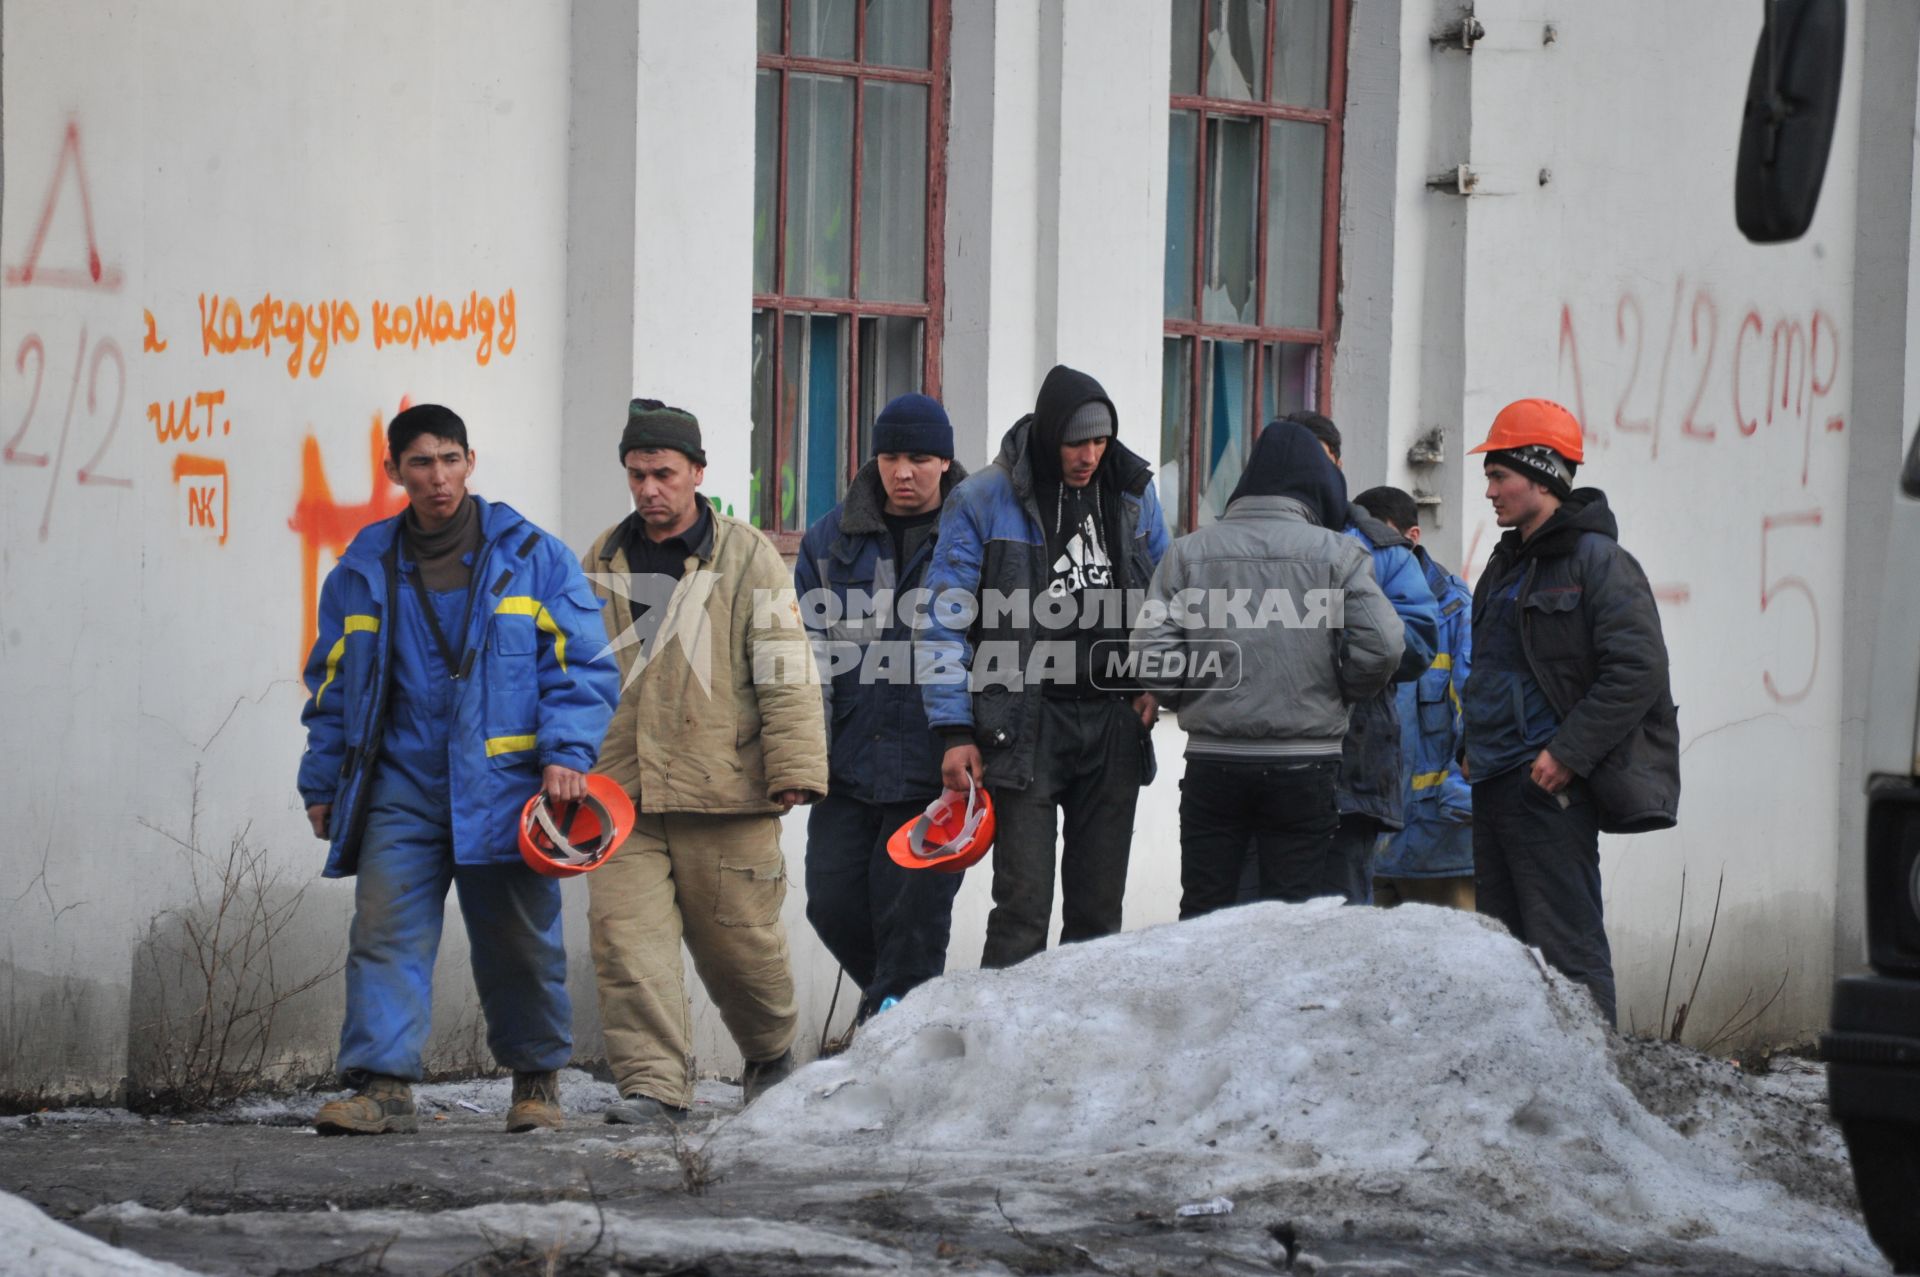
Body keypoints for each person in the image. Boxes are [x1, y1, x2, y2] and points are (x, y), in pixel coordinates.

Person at [297, 403, 619, 1136]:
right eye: (420, 463)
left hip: (503, 789)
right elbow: (333, 684)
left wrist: (567, 752)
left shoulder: (533, 554)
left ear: (471, 462)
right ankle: (383, 1087)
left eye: (449, 459)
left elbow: (582, 666)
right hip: (400, 786)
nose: (438, 478)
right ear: (393, 473)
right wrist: (322, 782)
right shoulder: (362, 565)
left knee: (518, 942)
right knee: (384, 930)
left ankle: (536, 1084)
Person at [583, 399, 827, 1125]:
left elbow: (786, 666)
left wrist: (794, 766)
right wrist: (562, 762)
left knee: (742, 952)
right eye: (637, 474)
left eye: (663, 473)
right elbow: (569, 670)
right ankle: (655, 1086)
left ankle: (772, 1054)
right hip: (620, 793)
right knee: (629, 946)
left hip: (728, 788)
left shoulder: (747, 556)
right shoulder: (600, 560)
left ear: (697, 473)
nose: (650, 488)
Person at [921, 364, 1171, 967]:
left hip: (1112, 724)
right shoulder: (983, 498)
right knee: (1021, 909)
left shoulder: (1133, 493)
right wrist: (954, 731)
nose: (1088, 456)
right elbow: (941, 620)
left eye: (1099, 441)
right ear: (1049, 434)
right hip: (1023, 726)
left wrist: (1155, 684)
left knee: (1097, 914)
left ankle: (1083, 1053)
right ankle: (1001, 1053)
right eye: (1075, 442)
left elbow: (1168, 596)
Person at [1464, 398, 1680, 1026]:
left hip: (1547, 789)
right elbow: (1493, 667)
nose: (1490, 491)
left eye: (1499, 476)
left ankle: (1594, 1093)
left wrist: (1567, 754)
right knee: (1502, 954)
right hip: (1495, 783)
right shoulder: (1505, 567)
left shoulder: (1600, 564)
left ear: (1541, 474)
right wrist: (1466, 746)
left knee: (1567, 951)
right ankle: (1522, 1095)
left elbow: (1638, 669)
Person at [1135, 420, 1404, 915]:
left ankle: (1201, 995)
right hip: (1305, 763)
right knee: (1290, 921)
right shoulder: (1338, 553)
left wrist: (1181, 694)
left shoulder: (1189, 552)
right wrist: (1343, 688)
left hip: (1214, 760)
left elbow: (1150, 651)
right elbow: (1386, 644)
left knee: (1204, 913)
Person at [794, 393, 970, 1020]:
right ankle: (909, 1013)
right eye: (891, 456)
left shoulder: (970, 533)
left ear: (945, 461)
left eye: (919, 458)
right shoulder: (828, 540)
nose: (903, 472)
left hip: (933, 773)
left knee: (913, 929)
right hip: (848, 766)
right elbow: (807, 663)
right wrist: (804, 758)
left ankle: (897, 1033)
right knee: (830, 902)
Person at [1290, 413, 1440, 903]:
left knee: (1343, 928)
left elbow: (1416, 643)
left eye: (1321, 458)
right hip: (1266, 771)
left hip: (1353, 767)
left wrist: (1336, 654)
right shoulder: (1251, 543)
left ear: (1338, 463)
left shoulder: (1382, 550)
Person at [1351, 485, 1475, 910]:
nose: (1369, 552)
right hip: (1368, 841)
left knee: (1450, 969)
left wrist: (1456, 800)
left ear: (1412, 538)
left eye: (1380, 539)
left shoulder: (1454, 610)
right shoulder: (1351, 609)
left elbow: (1476, 715)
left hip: (1439, 846)